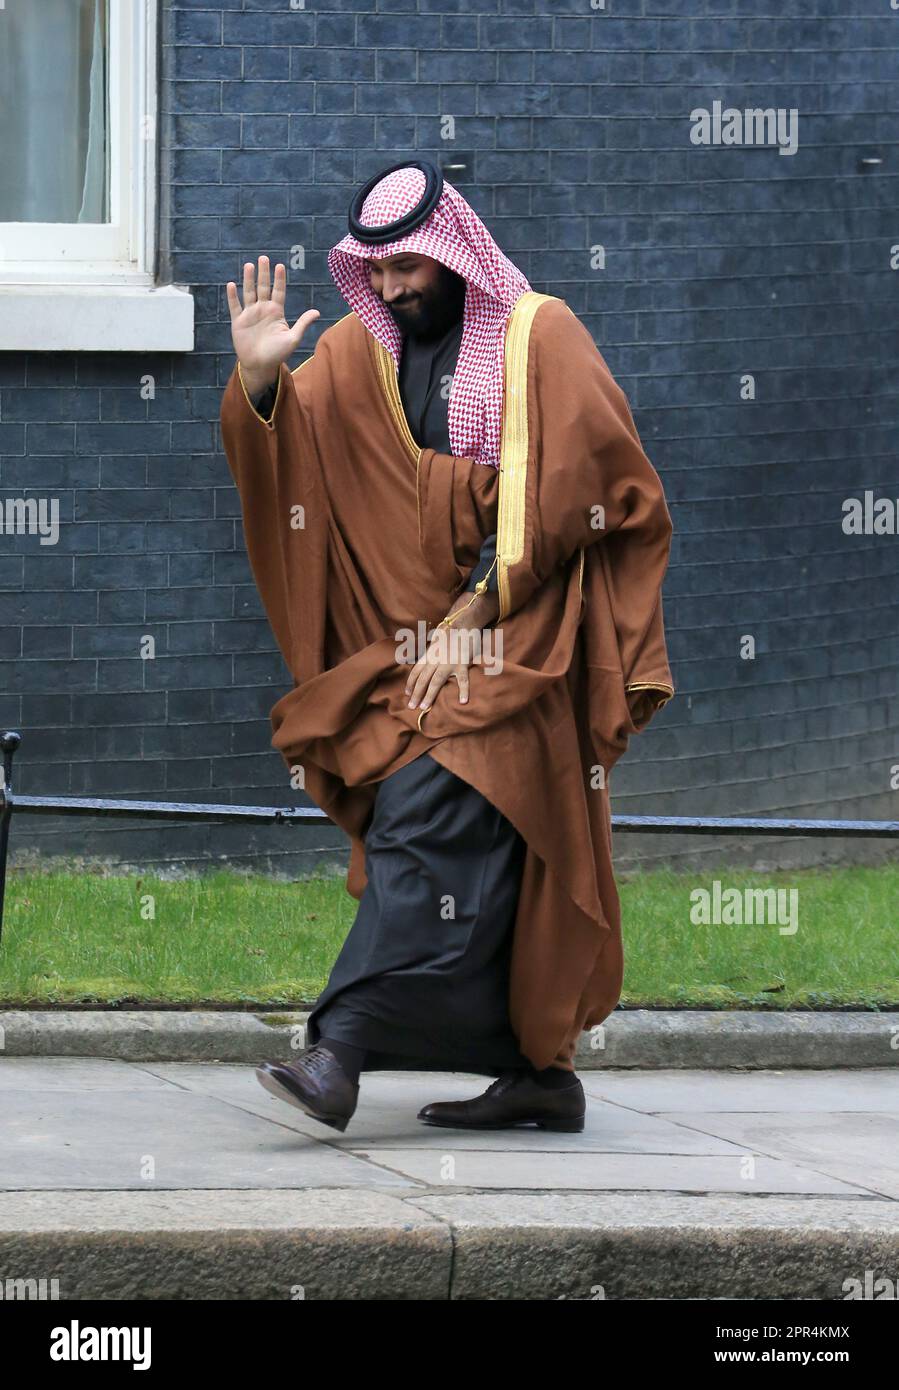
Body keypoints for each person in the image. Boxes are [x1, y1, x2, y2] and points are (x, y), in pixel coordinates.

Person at [219, 160, 674, 1135]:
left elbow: (594, 485)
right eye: (372, 272)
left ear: (453, 251)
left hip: (524, 639)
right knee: (490, 848)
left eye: (407, 268)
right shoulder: (358, 354)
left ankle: (338, 1051)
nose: (391, 289)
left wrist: (474, 613)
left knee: (426, 805)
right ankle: (536, 1072)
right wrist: (259, 387)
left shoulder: (536, 337)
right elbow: (294, 453)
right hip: (408, 647)